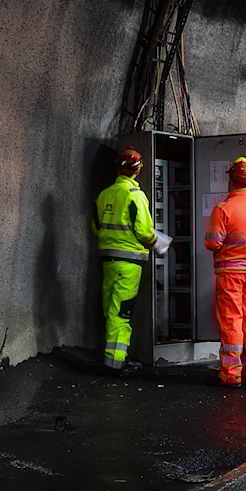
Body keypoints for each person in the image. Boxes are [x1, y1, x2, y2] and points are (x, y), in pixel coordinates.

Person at [93, 145, 170, 377]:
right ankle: (115, 364)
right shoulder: (135, 196)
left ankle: (114, 357)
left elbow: (97, 228)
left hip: (108, 260)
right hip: (129, 263)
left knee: (111, 309)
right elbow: (145, 231)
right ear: (138, 170)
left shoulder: (104, 194)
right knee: (122, 313)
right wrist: (160, 243)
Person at [205, 157, 246, 387]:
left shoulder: (223, 209)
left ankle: (231, 374)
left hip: (230, 274)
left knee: (232, 320)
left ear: (232, 179)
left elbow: (213, 242)